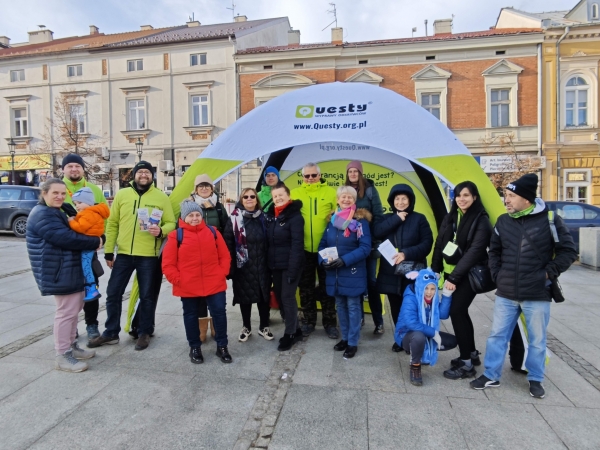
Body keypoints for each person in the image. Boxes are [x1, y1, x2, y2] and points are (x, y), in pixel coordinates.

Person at [471, 174, 577, 398]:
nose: (506, 200)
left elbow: (568, 251)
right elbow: (495, 251)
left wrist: (548, 273)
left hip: (536, 293)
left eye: (511, 196)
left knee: (537, 340)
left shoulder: (550, 220)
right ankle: (491, 374)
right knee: (497, 336)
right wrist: (498, 274)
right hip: (506, 292)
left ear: (526, 199)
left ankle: (536, 378)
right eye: (505, 196)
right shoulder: (503, 221)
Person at [88, 161, 176, 351]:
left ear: (152, 176)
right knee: (113, 293)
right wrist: (109, 251)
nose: (143, 175)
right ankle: (111, 332)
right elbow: (112, 224)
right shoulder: (122, 194)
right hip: (125, 254)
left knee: (146, 296)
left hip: (149, 255)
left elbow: (171, 223)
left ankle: (144, 331)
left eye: (147, 172)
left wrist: (161, 230)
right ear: (134, 175)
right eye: (140, 172)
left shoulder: (161, 197)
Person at [26, 179, 103, 372]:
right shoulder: (43, 214)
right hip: (58, 270)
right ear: (44, 193)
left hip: (67, 268)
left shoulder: (55, 211)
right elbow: (65, 238)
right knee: (65, 313)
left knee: (73, 311)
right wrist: (95, 242)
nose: (60, 196)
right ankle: (62, 354)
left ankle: (72, 346)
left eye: (62, 193)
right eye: (55, 193)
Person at [430, 181, 493, 380]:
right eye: (458, 195)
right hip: (450, 273)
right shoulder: (452, 217)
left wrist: (455, 277)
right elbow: (440, 242)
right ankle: (472, 353)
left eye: (466, 195)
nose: (461, 199)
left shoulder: (481, 220)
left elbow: (474, 252)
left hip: (467, 275)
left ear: (474, 197)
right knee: (461, 312)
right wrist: (435, 268)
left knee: (456, 311)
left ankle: (466, 364)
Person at [162, 200, 233, 364]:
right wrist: (178, 280)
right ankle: (195, 347)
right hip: (188, 284)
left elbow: (224, 255)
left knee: (219, 313)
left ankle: (222, 346)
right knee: (191, 315)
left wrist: (222, 272)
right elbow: (168, 264)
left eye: (197, 215)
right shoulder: (176, 235)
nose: (195, 218)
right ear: (184, 217)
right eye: (191, 215)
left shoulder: (213, 232)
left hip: (213, 281)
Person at [374, 184, 433, 351]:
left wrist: (406, 253)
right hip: (391, 272)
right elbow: (377, 232)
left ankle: (416, 338)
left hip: (412, 271)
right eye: (397, 198)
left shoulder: (419, 219)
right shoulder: (386, 218)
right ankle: (400, 338)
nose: (400, 202)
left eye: (404, 198)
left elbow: (427, 244)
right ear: (392, 201)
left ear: (410, 200)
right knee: (395, 306)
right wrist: (397, 218)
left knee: (412, 306)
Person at [318, 186, 372, 359]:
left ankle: (353, 342)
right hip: (334, 273)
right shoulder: (331, 221)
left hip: (353, 272)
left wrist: (345, 260)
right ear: (338, 199)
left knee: (353, 307)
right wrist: (323, 260)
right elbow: (322, 245)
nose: (346, 199)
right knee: (340, 306)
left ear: (354, 200)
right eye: (343, 197)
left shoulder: (360, 221)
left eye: (350, 197)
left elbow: (365, 248)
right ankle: (346, 338)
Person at [61, 153, 109, 341]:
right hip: (66, 250)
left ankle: (91, 325)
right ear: (63, 169)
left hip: (89, 247)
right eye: (70, 166)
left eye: (77, 166)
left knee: (92, 286)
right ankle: (71, 326)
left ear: (83, 169)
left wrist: (102, 239)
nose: (74, 169)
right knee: (69, 291)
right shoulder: (58, 189)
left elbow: (105, 217)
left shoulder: (94, 190)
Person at [291, 162, 339, 339]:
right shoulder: (295, 194)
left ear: (319, 175)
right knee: (306, 287)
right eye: (307, 176)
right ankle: (309, 321)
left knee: (328, 286)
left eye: (313, 175)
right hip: (303, 248)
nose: (310, 179)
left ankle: (330, 323)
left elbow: (339, 217)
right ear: (302, 177)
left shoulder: (330, 193)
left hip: (327, 248)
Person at [223, 188, 272, 342]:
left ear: (257, 200)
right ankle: (246, 327)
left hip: (263, 264)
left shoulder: (265, 218)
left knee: (264, 297)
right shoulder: (234, 219)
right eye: (246, 197)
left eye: (252, 196)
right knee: (245, 297)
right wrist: (230, 268)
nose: (249, 199)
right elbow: (228, 244)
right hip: (243, 265)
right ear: (241, 200)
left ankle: (264, 326)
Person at [394, 269, 457, 386]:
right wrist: (433, 333)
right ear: (419, 285)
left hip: (425, 332)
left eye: (433, 289)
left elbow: (442, 314)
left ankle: (421, 350)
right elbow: (410, 322)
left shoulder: (432, 299)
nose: (429, 292)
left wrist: (447, 295)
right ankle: (415, 366)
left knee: (452, 341)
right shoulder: (410, 297)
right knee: (418, 337)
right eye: (426, 288)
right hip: (405, 334)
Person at [344, 160, 385, 334]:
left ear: (360, 173)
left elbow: (378, 215)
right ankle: (359, 318)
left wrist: (371, 238)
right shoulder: (345, 191)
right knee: (356, 282)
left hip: (368, 244)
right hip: (351, 246)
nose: (352, 174)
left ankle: (379, 322)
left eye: (355, 171)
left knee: (370, 282)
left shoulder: (369, 190)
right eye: (350, 171)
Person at [189, 173, 228, 341]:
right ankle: (201, 328)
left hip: (213, 258)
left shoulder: (219, 207)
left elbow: (227, 232)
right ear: (196, 189)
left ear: (212, 188)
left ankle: (215, 327)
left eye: (207, 185)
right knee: (198, 296)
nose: (204, 188)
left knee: (215, 293)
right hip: (194, 259)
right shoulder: (189, 207)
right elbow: (181, 230)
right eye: (201, 186)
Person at [266, 183, 305, 351]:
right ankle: (296, 330)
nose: (278, 198)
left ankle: (289, 334)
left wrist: (293, 269)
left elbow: (297, 245)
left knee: (288, 298)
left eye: (281, 195)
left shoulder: (295, 217)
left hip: (290, 264)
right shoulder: (273, 216)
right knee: (281, 299)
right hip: (276, 264)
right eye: (275, 196)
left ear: (288, 196)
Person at [68, 187, 110, 301]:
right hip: (90, 241)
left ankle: (91, 288)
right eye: (75, 203)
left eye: (80, 203)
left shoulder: (89, 213)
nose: (77, 206)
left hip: (88, 243)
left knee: (86, 265)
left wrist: (71, 221)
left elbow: (80, 227)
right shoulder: (90, 212)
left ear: (88, 202)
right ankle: (90, 287)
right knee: (86, 264)